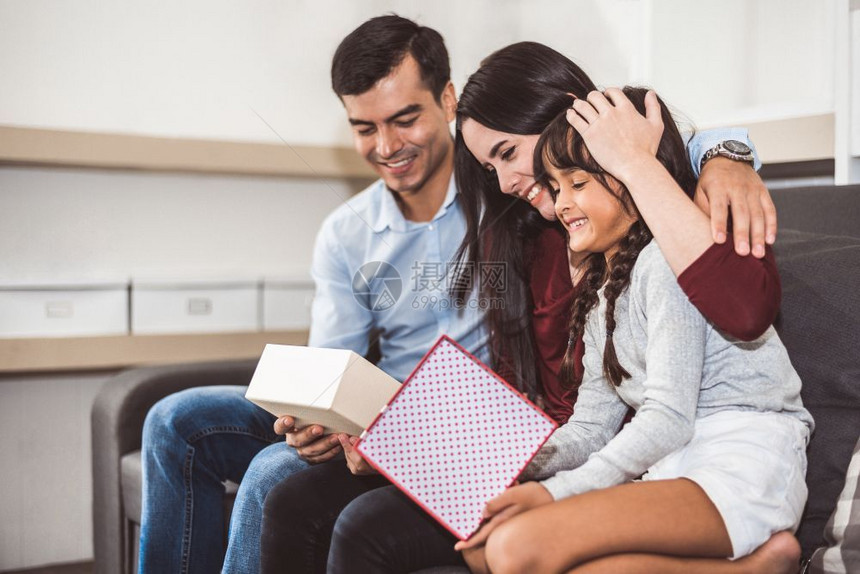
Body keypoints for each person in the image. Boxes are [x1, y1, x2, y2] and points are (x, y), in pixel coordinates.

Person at [260, 41, 782, 574]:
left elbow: (660, 156)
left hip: (620, 460)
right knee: (289, 498)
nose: (506, 184)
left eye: (508, 154)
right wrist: (411, 447)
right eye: (490, 169)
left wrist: (728, 153)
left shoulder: (651, 226)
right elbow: (546, 405)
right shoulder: (525, 234)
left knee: (363, 526)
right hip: (542, 446)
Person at [137, 15, 490, 574]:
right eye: (365, 128)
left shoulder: (510, 198)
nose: (387, 146)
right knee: (173, 420)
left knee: (275, 471)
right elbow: (329, 369)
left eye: (404, 120)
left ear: (448, 100)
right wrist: (313, 418)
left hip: (454, 422)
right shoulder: (347, 231)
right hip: (370, 402)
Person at [454, 86, 813, 574]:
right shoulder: (603, 294)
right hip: (672, 463)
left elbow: (669, 418)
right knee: (481, 547)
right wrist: (514, 460)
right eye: (556, 188)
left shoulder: (669, 259)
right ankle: (757, 567)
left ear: (629, 176)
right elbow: (589, 429)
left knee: (514, 548)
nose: (560, 204)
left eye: (577, 184)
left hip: (739, 460)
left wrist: (551, 494)